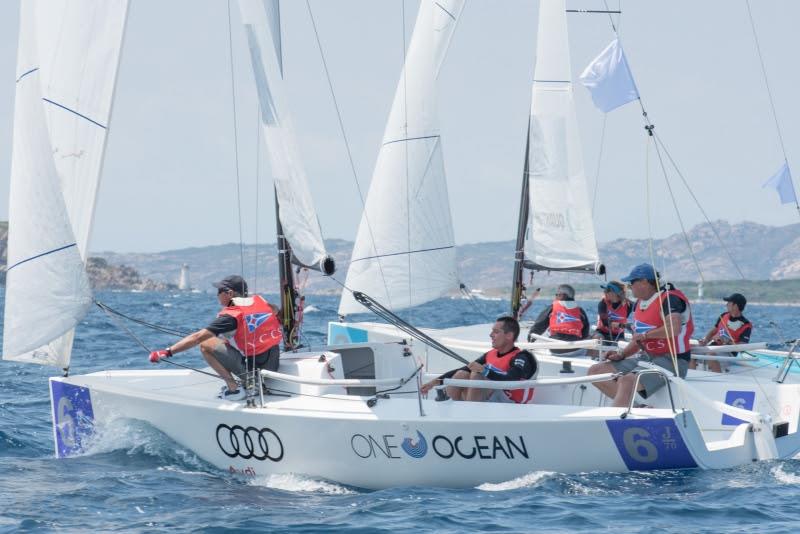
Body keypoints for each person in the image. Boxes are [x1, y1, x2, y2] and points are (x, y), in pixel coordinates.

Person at [148, 275, 283, 401]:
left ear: (229, 293)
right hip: (272, 366)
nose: (217, 295)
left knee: (206, 343)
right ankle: (247, 380)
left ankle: (234, 389)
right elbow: (275, 311)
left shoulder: (232, 315)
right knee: (224, 341)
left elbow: (197, 338)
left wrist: (168, 352)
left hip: (255, 371)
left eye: (219, 291)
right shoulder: (262, 302)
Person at [588, 263, 694, 408]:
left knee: (627, 380)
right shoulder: (640, 304)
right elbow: (637, 339)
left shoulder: (669, 299)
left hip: (673, 360)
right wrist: (622, 355)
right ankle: (637, 408)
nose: (629, 287)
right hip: (648, 357)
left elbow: (673, 328)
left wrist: (645, 336)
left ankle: (615, 421)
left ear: (644, 282)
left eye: (632, 283)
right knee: (595, 371)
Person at [420, 316, 538, 403]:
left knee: (477, 374)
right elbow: (465, 369)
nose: (491, 335)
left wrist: (484, 371)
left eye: (496, 332)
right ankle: (448, 412)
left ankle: (470, 415)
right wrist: (435, 381)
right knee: (462, 374)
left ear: (509, 336)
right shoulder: (490, 355)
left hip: (510, 404)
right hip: (491, 400)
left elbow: (512, 380)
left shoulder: (521, 357)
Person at [690, 293, 752, 373]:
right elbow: (713, 331)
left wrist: (727, 341)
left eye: (729, 303)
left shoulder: (746, 325)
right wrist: (705, 340)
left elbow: (742, 347)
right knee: (691, 352)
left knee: (710, 355)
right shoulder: (723, 316)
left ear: (735, 306)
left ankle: (718, 380)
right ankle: (693, 377)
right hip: (713, 347)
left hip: (728, 352)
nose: (726, 304)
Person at [527, 284, 590, 356]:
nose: (556, 297)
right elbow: (585, 333)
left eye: (557, 295)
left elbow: (539, 326)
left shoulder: (552, 307)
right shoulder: (580, 311)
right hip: (574, 349)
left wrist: (530, 341)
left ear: (563, 295)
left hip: (555, 348)